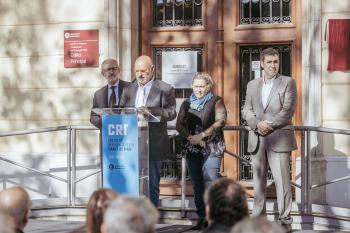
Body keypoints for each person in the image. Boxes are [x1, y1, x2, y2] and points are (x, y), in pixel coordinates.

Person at [241, 47, 297, 231]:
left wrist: (268, 124)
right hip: (257, 138)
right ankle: (258, 219)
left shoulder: (288, 82)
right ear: (262, 63)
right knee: (258, 181)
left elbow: (288, 110)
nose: (273, 65)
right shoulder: (252, 84)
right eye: (270, 62)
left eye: (276, 62)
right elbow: (246, 110)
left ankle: (285, 219)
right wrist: (257, 124)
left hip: (278, 139)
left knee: (282, 181)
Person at [119, 55, 176, 207]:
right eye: (137, 71)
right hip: (131, 143)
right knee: (131, 183)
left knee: (151, 185)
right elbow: (121, 111)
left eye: (143, 70)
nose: (140, 74)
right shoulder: (128, 89)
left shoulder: (165, 88)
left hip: (154, 143)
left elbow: (171, 113)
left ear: (152, 70)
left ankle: (150, 221)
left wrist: (150, 111)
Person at [176, 72, 227, 230]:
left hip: (211, 146)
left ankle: (215, 220)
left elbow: (221, 121)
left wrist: (203, 136)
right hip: (192, 148)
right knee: (198, 185)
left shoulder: (216, 101)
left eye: (201, 86)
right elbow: (179, 125)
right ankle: (202, 219)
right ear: (192, 86)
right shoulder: (186, 103)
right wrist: (192, 137)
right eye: (196, 86)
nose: (198, 89)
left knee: (211, 182)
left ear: (208, 86)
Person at [90, 58, 131, 128]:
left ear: (119, 70)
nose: (111, 72)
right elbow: (93, 117)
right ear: (103, 73)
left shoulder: (130, 87)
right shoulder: (98, 94)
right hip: (107, 135)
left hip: (127, 133)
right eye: (108, 69)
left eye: (114, 68)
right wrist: (106, 122)